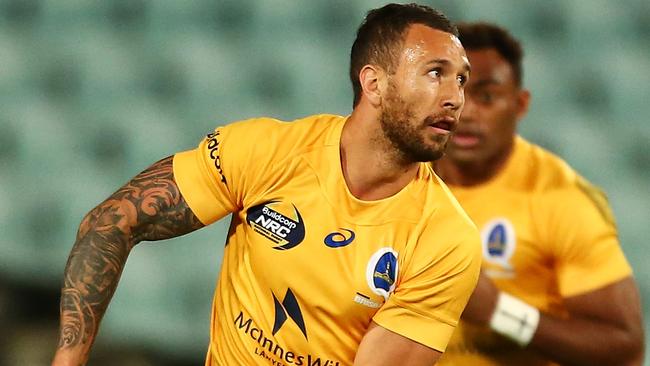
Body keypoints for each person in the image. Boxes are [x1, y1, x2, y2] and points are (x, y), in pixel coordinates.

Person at [52, 4, 482, 366]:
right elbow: (112, 222)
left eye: (461, 79)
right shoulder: (269, 151)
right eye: (435, 73)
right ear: (374, 83)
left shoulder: (446, 240)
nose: (455, 97)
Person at [434, 22, 645, 366]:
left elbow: (625, 348)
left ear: (519, 105)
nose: (466, 111)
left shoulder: (561, 198)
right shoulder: (396, 183)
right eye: (454, 92)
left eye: (486, 96)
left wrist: (500, 312)